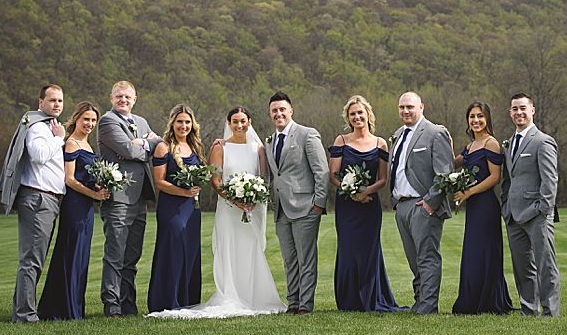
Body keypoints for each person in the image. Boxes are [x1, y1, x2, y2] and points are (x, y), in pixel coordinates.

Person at [147, 106, 285, 319]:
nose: (239, 125)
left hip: (248, 208)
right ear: (228, 124)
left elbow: (264, 178)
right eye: (235, 121)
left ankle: (244, 294)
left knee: (246, 249)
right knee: (214, 249)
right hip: (226, 209)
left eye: (243, 121)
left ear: (250, 122)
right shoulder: (218, 147)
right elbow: (214, 181)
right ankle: (180, 298)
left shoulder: (256, 148)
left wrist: (253, 199)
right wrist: (234, 199)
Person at [0, 84, 67, 323]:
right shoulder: (38, 128)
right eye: (52, 100)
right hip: (38, 198)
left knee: (34, 258)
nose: (56, 104)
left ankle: (22, 310)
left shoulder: (50, 126)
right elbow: (38, 156)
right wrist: (59, 140)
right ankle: (25, 315)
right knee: (31, 260)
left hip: (48, 199)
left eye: (60, 100)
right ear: (41, 103)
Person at [329, 95, 403, 312]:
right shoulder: (341, 141)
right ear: (348, 118)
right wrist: (350, 191)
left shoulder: (381, 143)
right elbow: (333, 174)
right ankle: (348, 300)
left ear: (368, 114)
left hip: (370, 205)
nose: (357, 116)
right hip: (347, 206)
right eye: (353, 114)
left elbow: (383, 178)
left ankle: (371, 298)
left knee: (369, 251)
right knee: (348, 251)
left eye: (360, 112)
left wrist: (365, 192)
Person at [37, 101, 110, 320]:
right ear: (76, 118)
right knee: (71, 253)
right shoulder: (71, 144)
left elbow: (85, 176)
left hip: (87, 208)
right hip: (75, 206)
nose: (90, 124)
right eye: (86, 119)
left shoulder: (88, 146)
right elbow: (69, 179)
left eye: (93, 120)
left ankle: (74, 307)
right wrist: (94, 195)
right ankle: (62, 309)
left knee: (81, 256)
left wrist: (100, 185)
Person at [96, 80, 161, 317]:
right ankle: (111, 304)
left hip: (140, 196)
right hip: (119, 197)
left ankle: (128, 303)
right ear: (111, 97)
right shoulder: (107, 121)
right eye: (119, 96)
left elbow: (158, 142)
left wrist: (144, 141)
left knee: (132, 254)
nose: (123, 100)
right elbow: (127, 150)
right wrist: (146, 144)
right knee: (115, 252)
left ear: (135, 99)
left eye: (128, 97)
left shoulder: (141, 122)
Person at [388, 91, 454, 314]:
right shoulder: (398, 134)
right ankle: (419, 301)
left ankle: (428, 306)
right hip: (402, 205)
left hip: (423, 206)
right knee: (413, 259)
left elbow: (444, 172)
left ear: (421, 107)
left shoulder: (435, 133)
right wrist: (396, 202)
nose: (405, 111)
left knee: (427, 257)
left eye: (410, 107)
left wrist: (430, 202)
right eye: (402, 107)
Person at [265, 91, 330, 315]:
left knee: (306, 259)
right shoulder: (269, 141)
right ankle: (292, 302)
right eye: (274, 110)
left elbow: (321, 171)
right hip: (281, 210)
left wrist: (318, 204)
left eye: (282, 109)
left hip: (306, 207)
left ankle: (305, 305)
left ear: (291, 111)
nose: (278, 113)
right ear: (270, 113)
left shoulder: (307, 135)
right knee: (289, 259)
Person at [450, 101, 514, 315]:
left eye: (480, 116)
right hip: (474, 208)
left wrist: (468, 193)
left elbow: (495, 178)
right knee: (473, 253)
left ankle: (489, 301)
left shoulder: (491, 144)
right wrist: (443, 139)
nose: (475, 120)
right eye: (472, 117)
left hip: (486, 206)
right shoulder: (469, 147)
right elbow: (452, 163)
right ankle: (471, 300)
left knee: (485, 253)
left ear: (487, 118)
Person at [501, 93, 560, 317]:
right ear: (510, 112)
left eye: (523, 108)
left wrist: (543, 210)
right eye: (515, 109)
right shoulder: (509, 144)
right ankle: (528, 309)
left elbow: (550, 180)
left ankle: (550, 311)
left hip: (536, 214)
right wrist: (505, 206)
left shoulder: (542, 141)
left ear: (532, 110)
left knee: (545, 265)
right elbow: (508, 180)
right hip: (513, 216)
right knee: (522, 267)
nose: (519, 113)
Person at [146, 104, 204, 313]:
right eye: (180, 121)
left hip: (192, 208)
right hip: (172, 208)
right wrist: (183, 192)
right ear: (172, 123)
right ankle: (166, 301)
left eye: (187, 122)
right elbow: (159, 182)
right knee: (172, 251)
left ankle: (187, 299)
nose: (184, 125)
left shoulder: (194, 146)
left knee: (190, 251)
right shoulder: (163, 147)